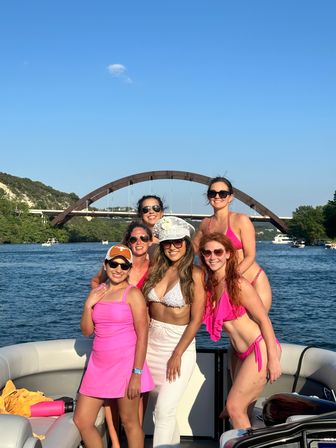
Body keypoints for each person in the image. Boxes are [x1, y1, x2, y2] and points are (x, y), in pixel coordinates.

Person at [73, 244, 154, 448]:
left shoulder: (133, 294)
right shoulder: (98, 292)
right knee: (82, 421)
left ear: (128, 269)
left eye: (124, 266)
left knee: (130, 423)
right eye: (113, 264)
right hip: (98, 367)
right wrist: (87, 305)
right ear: (105, 265)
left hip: (126, 368)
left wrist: (136, 373)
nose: (118, 269)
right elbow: (86, 331)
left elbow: (143, 335)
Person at [199, 232, 281, 429]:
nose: (213, 257)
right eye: (207, 252)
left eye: (218, 251)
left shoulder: (238, 283)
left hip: (257, 349)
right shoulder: (209, 285)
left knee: (234, 407)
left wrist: (273, 359)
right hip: (237, 353)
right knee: (243, 410)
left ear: (228, 254)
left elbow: (264, 320)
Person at [142, 216, 206, 447]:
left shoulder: (196, 274)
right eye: (167, 243)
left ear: (187, 244)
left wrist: (177, 353)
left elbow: (197, 319)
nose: (172, 247)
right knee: (165, 412)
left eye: (178, 242)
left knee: (162, 412)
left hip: (179, 346)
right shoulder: (155, 271)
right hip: (151, 346)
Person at [193, 176, 272, 312]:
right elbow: (192, 249)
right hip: (224, 285)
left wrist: (230, 278)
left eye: (222, 193)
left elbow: (250, 255)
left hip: (251, 281)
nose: (217, 196)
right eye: (212, 193)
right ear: (208, 197)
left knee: (258, 329)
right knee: (233, 331)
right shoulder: (206, 224)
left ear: (230, 197)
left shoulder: (241, 220)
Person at [91, 221, 153, 289]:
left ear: (150, 242)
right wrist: (101, 294)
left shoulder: (154, 268)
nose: (138, 242)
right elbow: (95, 281)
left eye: (144, 238)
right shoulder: (115, 264)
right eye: (133, 239)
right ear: (129, 243)